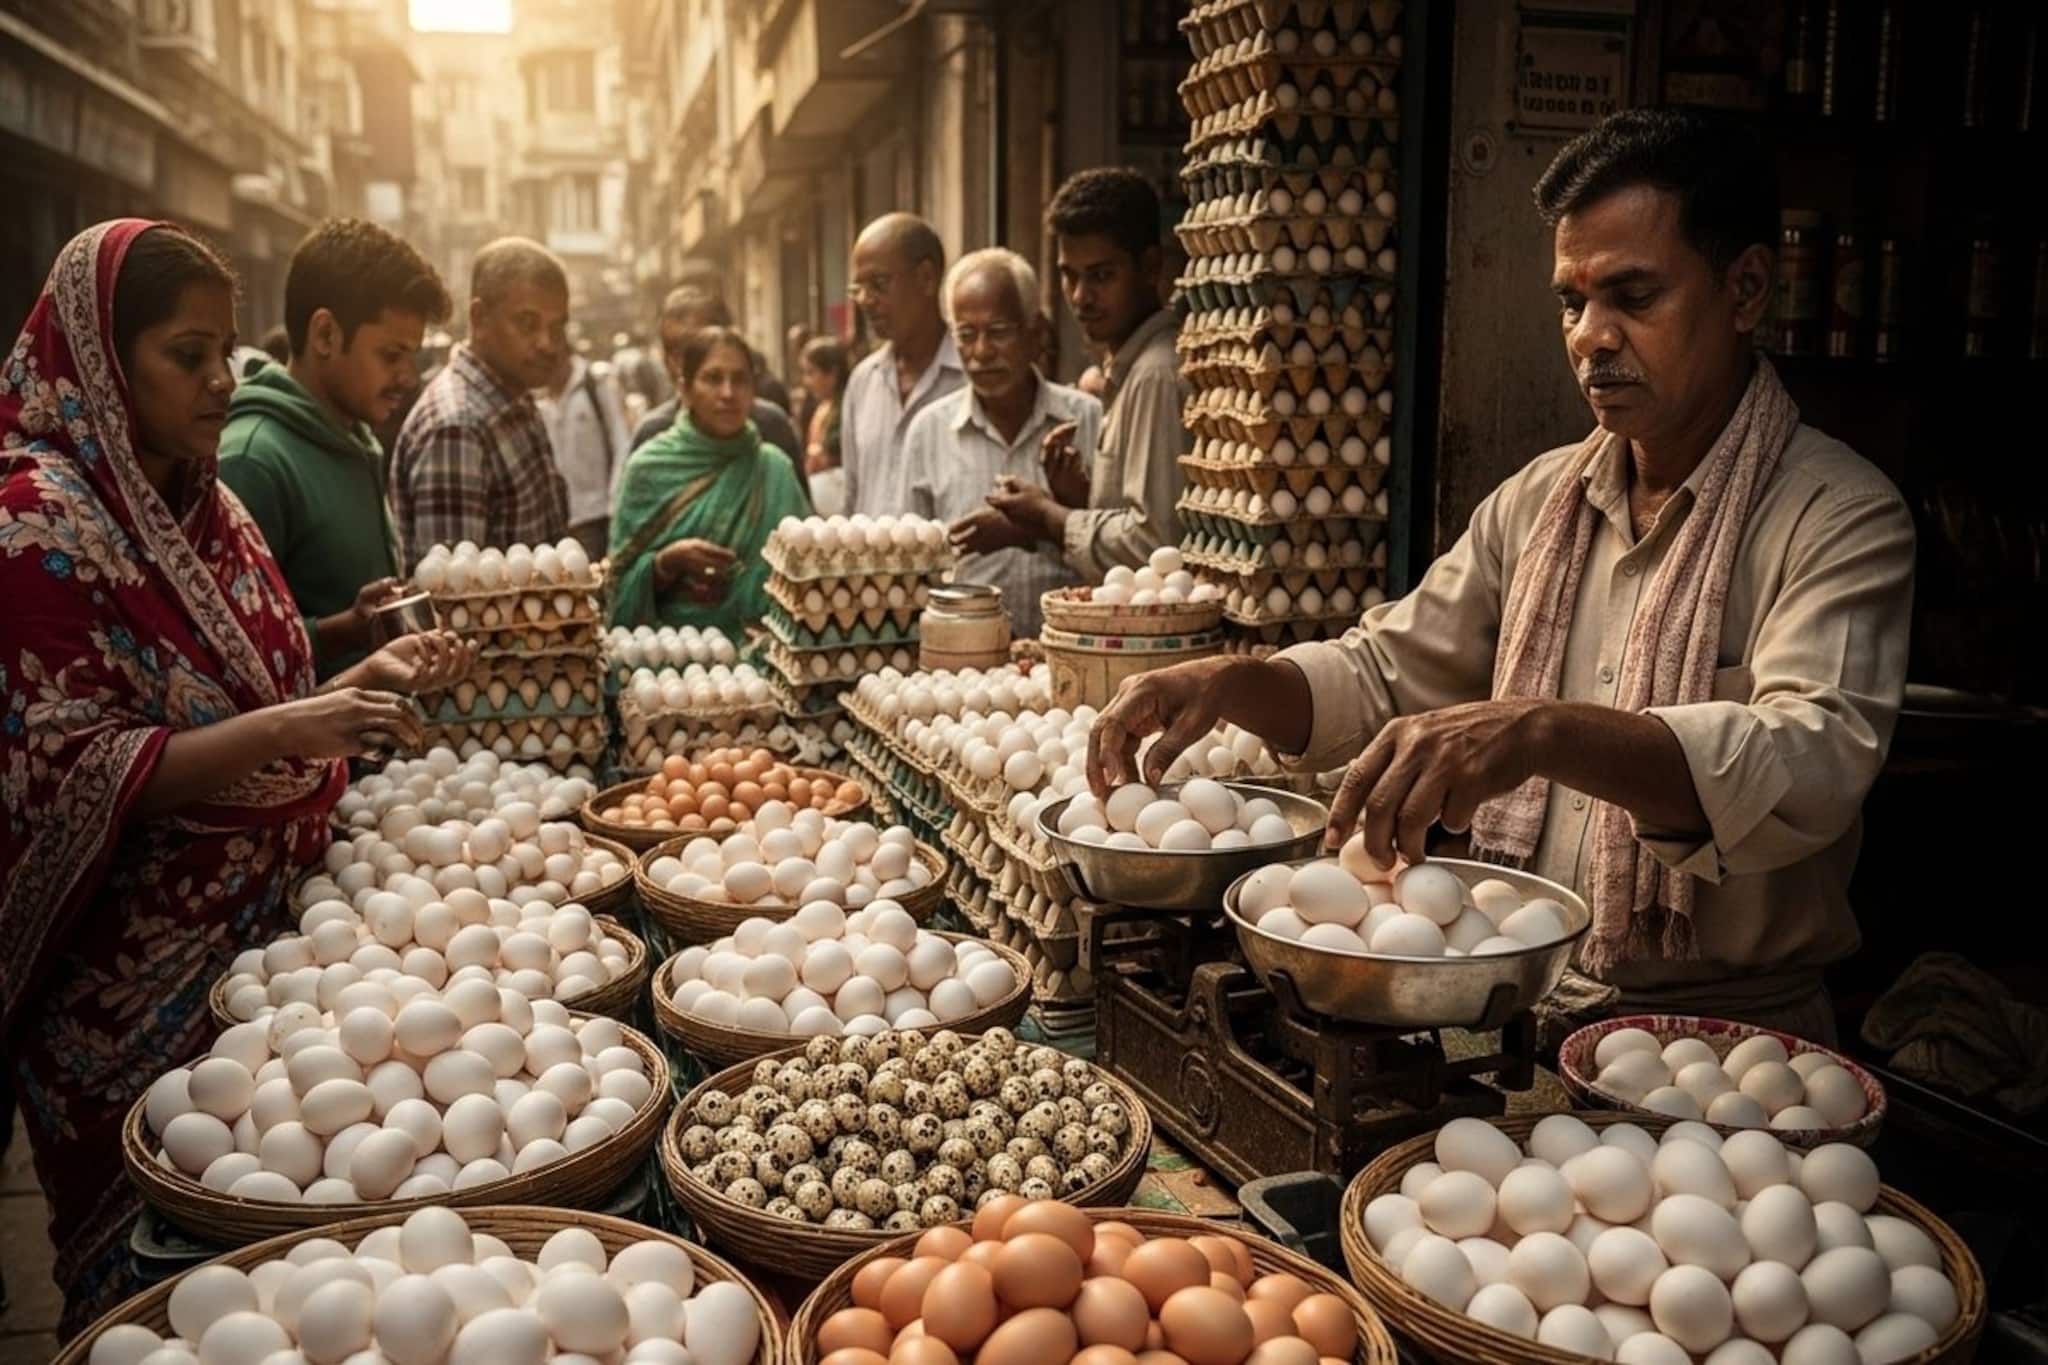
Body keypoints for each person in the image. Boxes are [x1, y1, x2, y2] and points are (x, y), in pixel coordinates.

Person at [1088, 110, 1916, 1039]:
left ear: (1747, 289)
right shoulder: (1539, 503)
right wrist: (1234, 679)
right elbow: (1383, 670)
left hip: (1730, 1044)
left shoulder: (1838, 516)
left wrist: (1543, 733)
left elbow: (1810, 761)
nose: (1591, 337)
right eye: (1572, 302)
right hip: (1519, 1015)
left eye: (1633, 296)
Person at [0, 220, 472, 1331]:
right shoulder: (36, 526)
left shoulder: (207, 503)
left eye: (224, 350)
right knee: (149, 1289)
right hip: (126, 973)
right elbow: (79, 768)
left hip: (262, 959)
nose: (222, 379)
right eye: (186, 354)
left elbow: (258, 687)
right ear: (104, 365)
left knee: (269, 1292)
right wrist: (304, 724)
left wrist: (360, 670)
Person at [221, 218, 453, 677]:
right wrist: (342, 632)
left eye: (414, 357)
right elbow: (226, 654)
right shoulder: (253, 461)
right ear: (326, 334)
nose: (408, 377)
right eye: (391, 355)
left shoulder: (356, 436)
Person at [986, 169, 1186, 576]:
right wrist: (1079, 501)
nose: (1080, 296)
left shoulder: (1155, 374)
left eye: (1101, 275)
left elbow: (1154, 543)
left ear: (1150, 267)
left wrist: (1048, 516)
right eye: (1069, 275)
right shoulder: (1128, 372)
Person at [905, 249, 1099, 639]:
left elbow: (1121, 558)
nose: (980, 352)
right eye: (966, 334)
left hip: (1075, 649)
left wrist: (1042, 526)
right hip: (963, 664)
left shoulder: (1088, 420)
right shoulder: (928, 432)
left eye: (998, 332)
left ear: (1035, 333)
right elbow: (910, 567)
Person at [608, 326, 809, 635]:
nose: (728, 393)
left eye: (740, 380)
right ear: (685, 389)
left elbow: (809, 574)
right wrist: (664, 565)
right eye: (713, 378)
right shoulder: (648, 468)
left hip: (769, 662)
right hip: (670, 663)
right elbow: (616, 589)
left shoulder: (774, 468)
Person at [389, 237, 570, 563]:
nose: (548, 344)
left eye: (557, 328)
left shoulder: (516, 399)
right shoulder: (457, 428)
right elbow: (454, 602)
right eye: (528, 324)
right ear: (480, 318)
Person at [630, 285, 808, 501]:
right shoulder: (652, 436)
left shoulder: (771, 428)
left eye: (698, 348)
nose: (682, 364)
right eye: (673, 351)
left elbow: (800, 525)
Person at [840, 213, 965, 516]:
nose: (866, 300)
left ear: (926, 277)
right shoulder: (863, 382)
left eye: (879, 284)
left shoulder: (973, 377)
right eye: (858, 289)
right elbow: (853, 495)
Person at [536, 344, 632, 560]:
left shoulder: (596, 384)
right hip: (561, 524)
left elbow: (621, 443)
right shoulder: (540, 400)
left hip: (598, 516)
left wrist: (615, 505)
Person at [799, 335, 850, 517]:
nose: (806, 381)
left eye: (811, 373)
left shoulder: (847, 407)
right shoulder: (822, 407)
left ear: (832, 374)